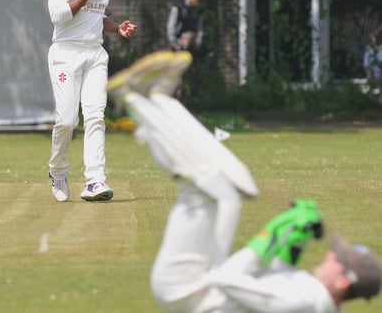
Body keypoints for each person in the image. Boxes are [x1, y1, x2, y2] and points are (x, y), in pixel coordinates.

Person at [107, 50, 381, 312]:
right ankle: (159, 98)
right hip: (202, 283)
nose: (329, 256)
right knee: (236, 180)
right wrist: (290, 250)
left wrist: (269, 237)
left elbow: (226, 279)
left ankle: (130, 98)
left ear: (344, 281)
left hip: (185, 290)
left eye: (338, 260)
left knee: (204, 186)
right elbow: (269, 283)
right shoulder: (316, 297)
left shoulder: (304, 300)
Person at [46, 0, 137, 202]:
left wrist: (117, 27)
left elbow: (97, 16)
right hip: (65, 53)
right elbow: (58, 17)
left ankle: (95, 181)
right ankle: (57, 170)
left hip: (95, 55)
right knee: (67, 121)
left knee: (96, 117)